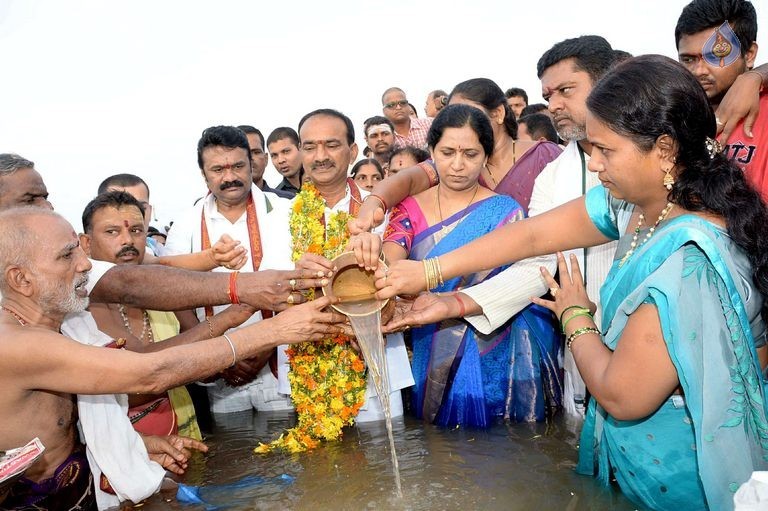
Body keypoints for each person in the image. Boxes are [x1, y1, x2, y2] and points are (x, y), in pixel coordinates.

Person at [375, 55, 768, 511]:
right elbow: (534, 233)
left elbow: (624, 395)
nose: (595, 164)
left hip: (677, 480)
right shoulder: (638, 204)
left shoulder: (688, 259)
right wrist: (429, 273)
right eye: (590, 148)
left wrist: (575, 315)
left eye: (606, 150)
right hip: (637, 465)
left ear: (663, 149)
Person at [0, 207, 344, 509]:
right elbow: (149, 373)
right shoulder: (15, 343)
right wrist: (275, 331)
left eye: (79, 248)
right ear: (21, 280)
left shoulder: (66, 325)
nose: (86, 264)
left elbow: (64, 430)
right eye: (66, 256)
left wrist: (134, 445)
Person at [375, 104, 561, 426]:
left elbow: (523, 277)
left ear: (486, 156)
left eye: (471, 154)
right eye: (447, 153)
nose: (458, 165)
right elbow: (391, 262)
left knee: (496, 447)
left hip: (494, 341)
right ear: (431, 152)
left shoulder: (506, 211)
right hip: (429, 339)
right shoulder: (409, 208)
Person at [164, 125, 296, 415]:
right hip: (218, 369)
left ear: (252, 165)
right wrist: (219, 353)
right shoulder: (185, 224)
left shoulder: (288, 212)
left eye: (238, 166)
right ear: (203, 174)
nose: (230, 177)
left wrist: (265, 344)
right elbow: (172, 292)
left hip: (276, 362)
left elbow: (300, 284)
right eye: (218, 169)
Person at [675, 0, 768, 200]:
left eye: (716, 55)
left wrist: (757, 76)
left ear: (749, 55)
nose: (699, 70)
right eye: (688, 59)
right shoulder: (672, 115)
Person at [238, 125, 294, 199]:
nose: (250, 158)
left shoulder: (289, 201)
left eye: (256, 152)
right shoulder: (218, 204)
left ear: (266, 159)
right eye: (242, 153)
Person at [266, 127, 304, 197]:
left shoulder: (323, 181)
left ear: (300, 148)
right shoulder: (276, 197)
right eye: (274, 155)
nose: (280, 160)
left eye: (286, 152)